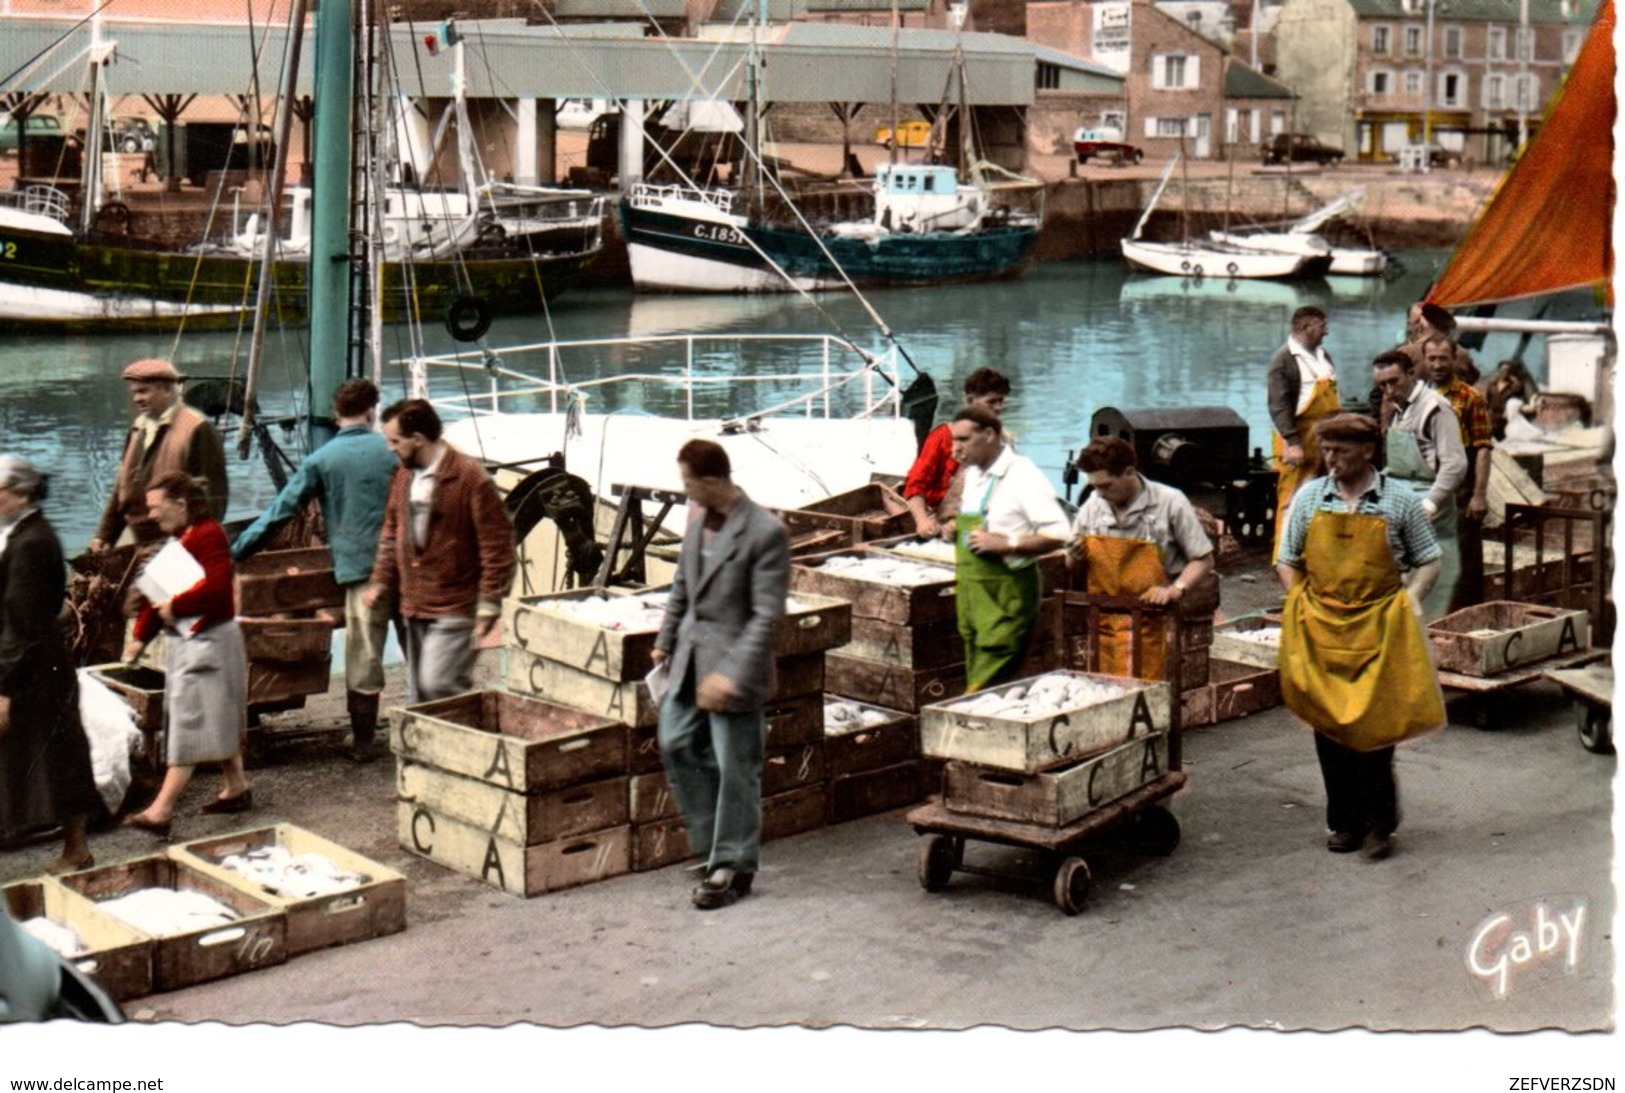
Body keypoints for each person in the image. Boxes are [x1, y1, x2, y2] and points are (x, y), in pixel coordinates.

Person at [1276, 414, 1444, 861]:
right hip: (1323, 627)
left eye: (1340, 451)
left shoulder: (1399, 502)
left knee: (1374, 732)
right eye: (1326, 450)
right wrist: (1300, 605)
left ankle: (1379, 827)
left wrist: (1411, 599)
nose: (1330, 460)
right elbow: (1286, 558)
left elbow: (1429, 558)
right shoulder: (1311, 499)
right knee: (1329, 729)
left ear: (1367, 451)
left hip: (1379, 627)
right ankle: (1344, 822)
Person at [652, 439, 789, 911]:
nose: (686, 491)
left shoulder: (764, 532)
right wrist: (665, 639)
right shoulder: (696, 523)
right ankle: (714, 844)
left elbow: (766, 617)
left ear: (711, 481)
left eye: (689, 483)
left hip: (736, 670)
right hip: (690, 661)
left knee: (737, 767)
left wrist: (730, 675)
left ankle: (733, 863)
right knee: (675, 741)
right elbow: (681, 588)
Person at [233, 378, 398, 761]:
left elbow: (279, 514)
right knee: (419, 643)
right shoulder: (392, 451)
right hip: (406, 565)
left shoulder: (321, 460)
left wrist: (237, 550)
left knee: (363, 654)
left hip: (361, 571)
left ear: (336, 414)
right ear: (372, 411)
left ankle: (362, 743)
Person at [120, 472, 251, 839]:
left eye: (157, 508)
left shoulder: (208, 535)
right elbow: (155, 592)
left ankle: (161, 811)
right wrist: (138, 639)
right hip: (197, 640)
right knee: (213, 714)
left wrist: (174, 605)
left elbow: (217, 589)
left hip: (210, 642)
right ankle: (236, 786)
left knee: (190, 720)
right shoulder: (184, 538)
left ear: (181, 504)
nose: (152, 516)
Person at [364, 400, 515, 704]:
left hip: (456, 605)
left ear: (418, 438)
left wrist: (489, 601)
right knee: (422, 694)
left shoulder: (469, 478)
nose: (390, 448)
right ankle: (432, 748)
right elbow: (392, 532)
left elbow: (496, 545)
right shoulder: (405, 476)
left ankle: (468, 743)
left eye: (395, 441)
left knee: (439, 685)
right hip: (415, 602)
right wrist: (381, 580)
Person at [0, 456, 101, 873]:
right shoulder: (17, 534)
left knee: (62, 755)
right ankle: (69, 845)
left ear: (20, 495)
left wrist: (4, 690)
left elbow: (22, 619)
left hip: (35, 668)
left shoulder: (33, 542)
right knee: (53, 754)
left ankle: (76, 848)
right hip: (31, 661)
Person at [1068, 437, 1216, 679]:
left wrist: (1175, 588)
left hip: (1154, 621)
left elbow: (1203, 559)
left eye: (1106, 486)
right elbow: (1073, 569)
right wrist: (1074, 556)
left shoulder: (1170, 502)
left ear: (1129, 471)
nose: (1100, 494)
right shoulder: (1092, 507)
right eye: (1095, 486)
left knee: (1151, 696)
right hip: (1105, 624)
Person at [949, 405, 1071, 692]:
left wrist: (1007, 543)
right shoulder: (974, 473)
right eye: (954, 440)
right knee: (980, 690)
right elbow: (984, 522)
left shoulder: (1021, 474)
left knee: (983, 692)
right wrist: (953, 528)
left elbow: (1059, 532)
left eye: (963, 440)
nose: (956, 448)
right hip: (974, 602)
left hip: (1006, 600)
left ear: (989, 434)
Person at [89, 358, 228, 553]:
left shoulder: (197, 428)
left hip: (174, 543)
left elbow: (213, 498)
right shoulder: (138, 428)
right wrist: (104, 535)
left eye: (144, 391)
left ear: (166, 390)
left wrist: (192, 547)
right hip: (139, 537)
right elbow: (121, 488)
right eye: (134, 392)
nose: (137, 399)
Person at [1372, 349, 1467, 621]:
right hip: (1402, 495)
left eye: (1394, 381)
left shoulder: (1435, 407)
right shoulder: (1399, 409)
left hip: (1429, 502)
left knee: (1429, 583)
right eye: (1382, 385)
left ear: (1411, 374)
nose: (1389, 390)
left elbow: (1455, 464)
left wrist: (1431, 503)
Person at [1419, 333, 1493, 613]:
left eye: (1443, 359)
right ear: (1425, 361)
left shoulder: (1470, 398)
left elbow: (1483, 448)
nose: (1437, 365)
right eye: (1432, 359)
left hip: (1461, 489)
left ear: (1453, 360)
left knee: (1464, 559)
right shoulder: (1419, 394)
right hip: (1426, 485)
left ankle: (1466, 617)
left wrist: (1479, 495)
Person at [903, 367, 1011, 538]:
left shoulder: (1002, 442)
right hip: (940, 522)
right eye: (991, 402)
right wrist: (922, 521)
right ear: (970, 400)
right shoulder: (943, 437)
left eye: (1001, 401)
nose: (998, 408)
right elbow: (915, 486)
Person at [1266, 306, 1339, 556]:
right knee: (1291, 500)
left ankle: (1314, 554)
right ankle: (1283, 557)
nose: (1327, 331)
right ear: (1306, 327)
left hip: (1325, 443)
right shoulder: (1283, 360)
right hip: (1299, 442)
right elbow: (1278, 405)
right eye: (1322, 326)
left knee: (1323, 496)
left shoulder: (1323, 356)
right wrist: (1292, 441)